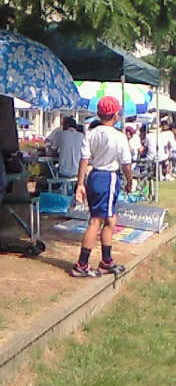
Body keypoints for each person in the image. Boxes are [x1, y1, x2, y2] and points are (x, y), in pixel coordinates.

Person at [70, 96, 132, 278]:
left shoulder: (91, 133)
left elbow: (84, 159)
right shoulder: (119, 136)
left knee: (110, 219)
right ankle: (82, 264)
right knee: (96, 221)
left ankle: (106, 260)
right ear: (116, 114)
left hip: (94, 176)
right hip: (108, 177)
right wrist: (130, 181)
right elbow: (126, 164)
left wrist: (80, 183)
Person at [49, 116, 84, 189]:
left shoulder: (60, 133)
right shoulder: (82, 136)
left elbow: (52, 151)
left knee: (53, 171)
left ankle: (60, 189)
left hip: (64, 171)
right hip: (78, 171)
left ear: (67, 125)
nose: (62, 126)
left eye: (63, 124)